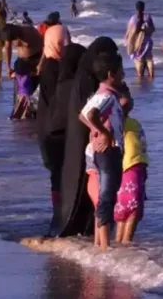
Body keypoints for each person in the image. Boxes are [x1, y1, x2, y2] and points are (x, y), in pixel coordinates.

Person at [54, 37, 119, 238]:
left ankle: (93, 233)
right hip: (90, 142)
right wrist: (103, 132)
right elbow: (88, 114)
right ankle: (98, 236)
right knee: (100, 191)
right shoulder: (89, 83)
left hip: (83, 142)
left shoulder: (83, 80)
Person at [78, 51, 126, 250]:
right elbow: (90, 115)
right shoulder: (107, 96)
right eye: (121, 71)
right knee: (107, 197)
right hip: (108, 152)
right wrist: (104, 132)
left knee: (103, 197)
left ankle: (99, 243)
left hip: (98, 152)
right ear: (111, 74)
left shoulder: (100, 94)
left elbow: (82, 115)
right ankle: (105, 247)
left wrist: (95, 131)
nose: (124, 74)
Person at [38, 43, 85, 217]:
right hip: (65, 137)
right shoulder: (74, 86)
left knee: (56, 178)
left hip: (48, 135)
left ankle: (58, 212)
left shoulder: (56, 80)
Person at [115, 90, 148, 244]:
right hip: (127, 167)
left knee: (131, 207)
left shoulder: (134, 123)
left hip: (138, 167)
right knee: (131, 207)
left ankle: (120, 244)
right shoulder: (116, 123)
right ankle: (126, 243)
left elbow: (142, 147)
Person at [1, 23, 44, 89]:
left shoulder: (30, 31)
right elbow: (8, 47)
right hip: (22, 62)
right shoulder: (10, 34)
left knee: (34, 84)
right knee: (21, 86)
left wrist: (41, 63)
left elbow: (44, 46)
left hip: (36, 59)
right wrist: (8, 66)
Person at [124, 1, 155, 79]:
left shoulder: (133, 18)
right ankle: (151, 76)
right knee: (149, 59)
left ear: (136, 8)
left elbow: (129, 31)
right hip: (148, 41)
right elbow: (153, 29)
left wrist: (126, 39)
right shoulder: (148, 17)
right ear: (143, 8)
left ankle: (140, 76)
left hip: (138, 41)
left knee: (139, 59)